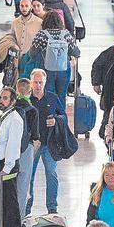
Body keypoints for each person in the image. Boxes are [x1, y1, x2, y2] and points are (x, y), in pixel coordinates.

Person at [27, 69, 65, 216]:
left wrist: (56, 120)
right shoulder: (26, 99)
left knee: (52, 174)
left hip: (49, 144)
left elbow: (63, 117)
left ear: (45, 82)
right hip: (32, 145)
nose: (38, 85)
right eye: (35, 82)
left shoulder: (52, 98)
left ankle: (52, 208)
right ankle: (27, 208)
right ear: (31, 82)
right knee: (29, 176)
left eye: (40, 82)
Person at [0, 86, 27, 227]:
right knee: (4, 204)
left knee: (10, 203)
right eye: (0, 97)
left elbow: (13, 145)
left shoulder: (14, 119)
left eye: (5, 98)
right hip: (1, 164)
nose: (1, 100)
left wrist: (6, 168)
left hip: (8, 165)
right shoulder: (5, 116)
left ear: (13, 101)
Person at [31, 12, 80, 106]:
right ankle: (61, 118)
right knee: (61, 96)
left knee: (49, 96)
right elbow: (76, 52)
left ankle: (49, 116)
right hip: (64, 70)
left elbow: (32, 53)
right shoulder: (66, 34)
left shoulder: (41, 35)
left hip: (47, 70)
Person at [13, 77, 42, 218]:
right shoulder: (32, 110)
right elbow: (36, 135)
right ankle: (20, 217)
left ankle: (9, 218)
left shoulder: (11, 108)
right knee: (23, 186)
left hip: (11, 150)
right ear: (29, 91)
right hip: (26, 149)